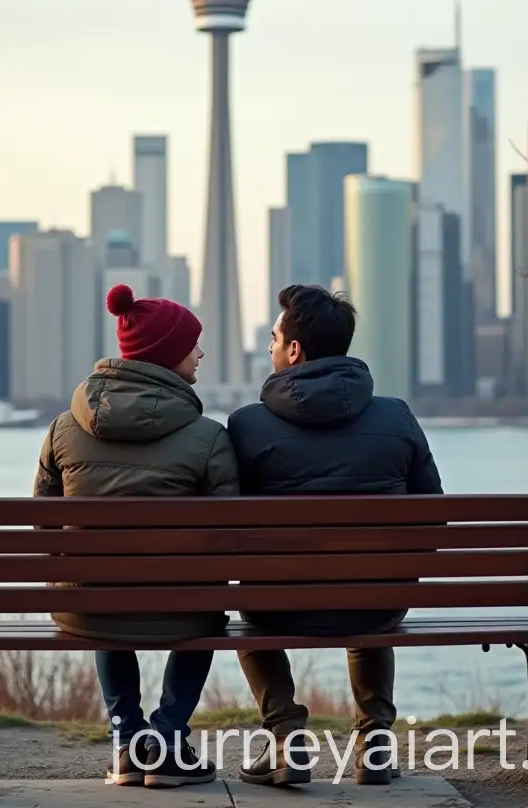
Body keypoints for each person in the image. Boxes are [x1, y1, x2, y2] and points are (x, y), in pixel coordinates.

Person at [227, 284, 444, 787]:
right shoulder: (397, 415)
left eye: (274, 338)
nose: (270, 348)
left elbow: (227, 528)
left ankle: (285, 736)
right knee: (368, 590)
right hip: (378, 599)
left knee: (246, 606)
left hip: (278, 605)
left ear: (295, 351)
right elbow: (432, 514)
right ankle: (374, 742)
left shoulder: (248, 425)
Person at [32, 283, 240, 788]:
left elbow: (44, 520)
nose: (201, 354)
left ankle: (127, 738)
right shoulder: (209, 435)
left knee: (100, 587)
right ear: (169, 356)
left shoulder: (64, 427)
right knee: (206, 606)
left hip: (91, 605)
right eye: (193, 346)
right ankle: (167, 738)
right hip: (184, 607)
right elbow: (230, 531)